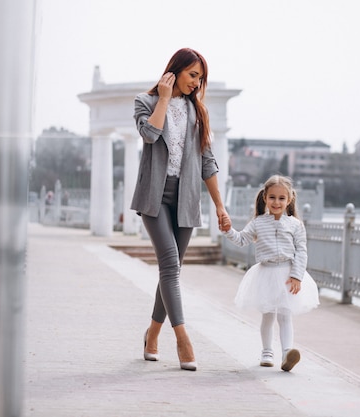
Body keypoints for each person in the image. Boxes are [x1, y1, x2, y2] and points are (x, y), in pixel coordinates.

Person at [131, 48, 230, 371]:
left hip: (186, 199)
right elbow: (150, 134)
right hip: (154, 197)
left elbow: (207, 162)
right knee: (170, 265)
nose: (196, 83)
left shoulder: (198, 112)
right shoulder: (144, 103)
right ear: (174, 72)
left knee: (169, 271)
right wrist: (162, 98)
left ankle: (152, 335)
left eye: (200, 78)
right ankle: (183, 339)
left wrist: (220, 206)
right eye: (192, 75)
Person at [220, 175, 319, 371]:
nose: (276, 202)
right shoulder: (258, 223)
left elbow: (301, 251)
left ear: (289, 199)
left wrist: (297, 275)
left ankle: (287, 354)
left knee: (285, 315)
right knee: (268, 315)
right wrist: (228, 230)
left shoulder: (296, 225)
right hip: (266, 273)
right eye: (272, 197)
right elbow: (241, 239)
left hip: (287, 274)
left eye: (282, 198)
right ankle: (267, 352)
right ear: (265, 197)